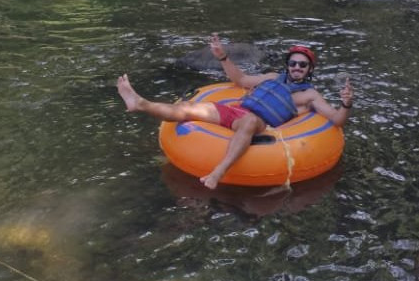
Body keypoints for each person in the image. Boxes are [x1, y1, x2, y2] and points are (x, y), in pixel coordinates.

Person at [117, 33, 353, 189]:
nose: (297, 67)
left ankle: (217, 173)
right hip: (236, 111)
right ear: (288, 65)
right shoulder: (271, 77)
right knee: (189, 109)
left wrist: (346, 104)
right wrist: (223, 56)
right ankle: (141, 104)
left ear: (309, 69)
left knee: (249, 121)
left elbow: (336, 120)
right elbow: (240, 79)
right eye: (293, 63)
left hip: (259, 123)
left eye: (302, 65)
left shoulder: (310, 96)